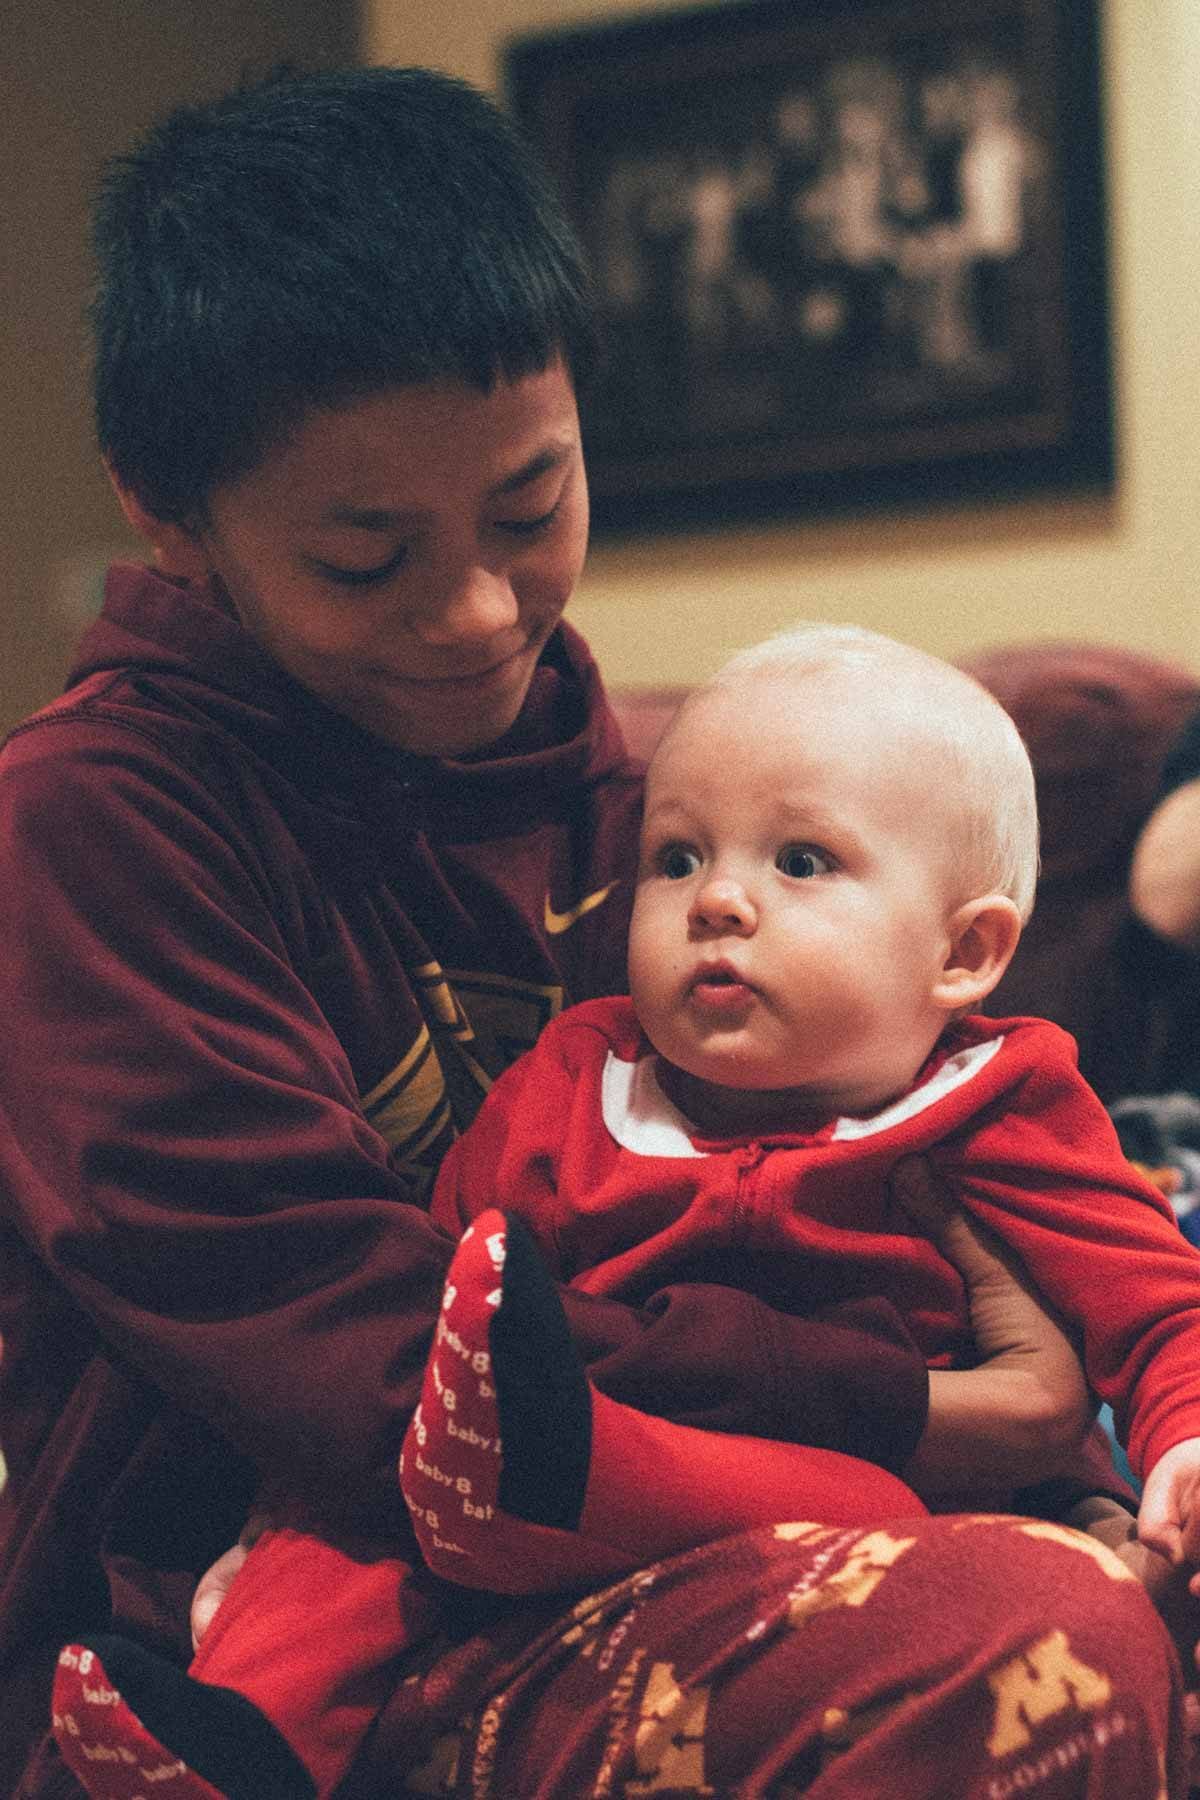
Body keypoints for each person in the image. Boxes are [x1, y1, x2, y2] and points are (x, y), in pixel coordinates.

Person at [0, 63, 1185, 1800]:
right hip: (263, 1600)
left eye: (530, 507)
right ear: (170, 518)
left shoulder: (624, 788)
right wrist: (931, 1418)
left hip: (668, 1533)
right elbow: (395, 1375)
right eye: (365, 556)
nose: (476, 614)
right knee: (1042, 1655)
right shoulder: (91, 825)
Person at [51, 629, 1199, 1798]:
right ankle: (232, 1742)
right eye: (678, 857)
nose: (721, 901)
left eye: (801, 862)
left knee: (886, 1505)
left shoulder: (999, 1104)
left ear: (965, 951)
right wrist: (269, 1528)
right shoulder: (577, 1078)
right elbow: (454, 1307)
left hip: (856, 1505)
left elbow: (1154, 1301)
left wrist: (1185, 1443)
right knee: (351, 1540)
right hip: (514, 1515)